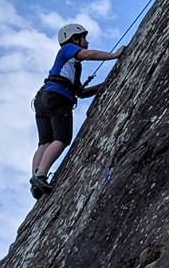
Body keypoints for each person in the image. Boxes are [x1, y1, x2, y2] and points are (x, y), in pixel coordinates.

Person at [30, 23, 125, 199]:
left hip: (44, 99)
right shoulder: (68, 50)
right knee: (62, 139)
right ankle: (41, 175)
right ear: (74, 38)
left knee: (45, 143)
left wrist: (105, 85)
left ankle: (36, 178)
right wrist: (115, 56)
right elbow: (88, 54)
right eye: (84, 38)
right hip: (57, 98)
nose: (86, 42)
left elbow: (81, 93)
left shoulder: (72, 66)